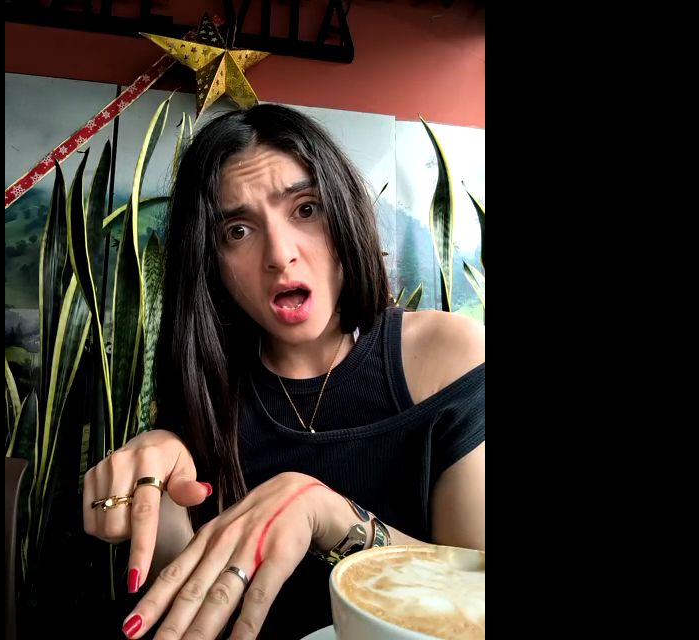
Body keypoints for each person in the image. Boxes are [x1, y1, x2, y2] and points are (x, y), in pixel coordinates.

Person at [83, 103, 485, 639]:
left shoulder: (449, 355)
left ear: (344, 212)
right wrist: (158, 497)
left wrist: (330, 516)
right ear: (211, 264)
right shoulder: (208, 390)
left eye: (306, 209)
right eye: (237, 231)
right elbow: (192, 613)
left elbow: (475, 601)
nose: (279, 254)